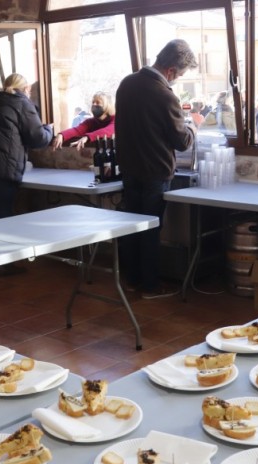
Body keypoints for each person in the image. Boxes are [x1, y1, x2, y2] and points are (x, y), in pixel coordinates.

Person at [115, 38, 197, 299]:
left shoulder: (126, 84)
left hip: (128, 167)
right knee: (151, 228)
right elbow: (181, 141)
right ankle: (150, 285)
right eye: (180, 75)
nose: (177, 80)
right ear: (171, 70)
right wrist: (194, 124)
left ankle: (131, 280)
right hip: (155, 172)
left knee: (131, 226)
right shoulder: (164, 95)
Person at [0, 73, 53, 221]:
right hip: (3, 168)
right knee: (3, 217)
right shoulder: (22, 105)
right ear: (26, 88)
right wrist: (49, 130)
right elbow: (38, 139)